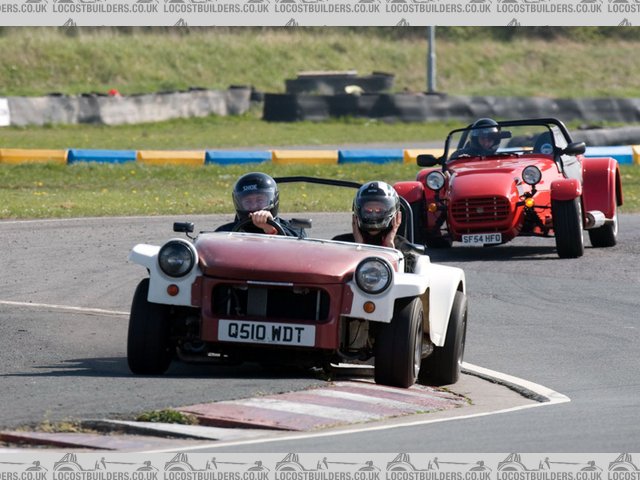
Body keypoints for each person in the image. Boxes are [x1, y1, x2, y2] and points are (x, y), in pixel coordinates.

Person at [215, 172, 303, 236]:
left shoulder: (294, 230)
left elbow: (299, 251)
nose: (254, 207)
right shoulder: (225, 233)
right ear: (239, 203)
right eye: (248, 202)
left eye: (260, 200)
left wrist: (270, 229)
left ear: (273, 200)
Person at [334, 181, 408, 250]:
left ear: (397, 216)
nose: (373, 214)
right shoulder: (340, 244)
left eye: (379, 210)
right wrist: (358, 245)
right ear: (356, 214)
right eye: (368, 210)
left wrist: (389, 244)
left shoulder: (403, 247)